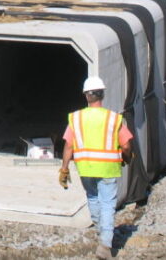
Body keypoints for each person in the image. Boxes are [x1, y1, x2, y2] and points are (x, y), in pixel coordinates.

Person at [59, 76, 134, 260]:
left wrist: (64, 168)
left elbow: (68, 145)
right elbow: (126, 145)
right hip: (108, 169)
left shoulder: (76, 118)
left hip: (86, 168)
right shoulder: (113, 119)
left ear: (86, 96)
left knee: (93, 198)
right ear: (103, 94)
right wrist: (127, 157)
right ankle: (105, 244)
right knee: (108, 204)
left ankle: (102, 231)